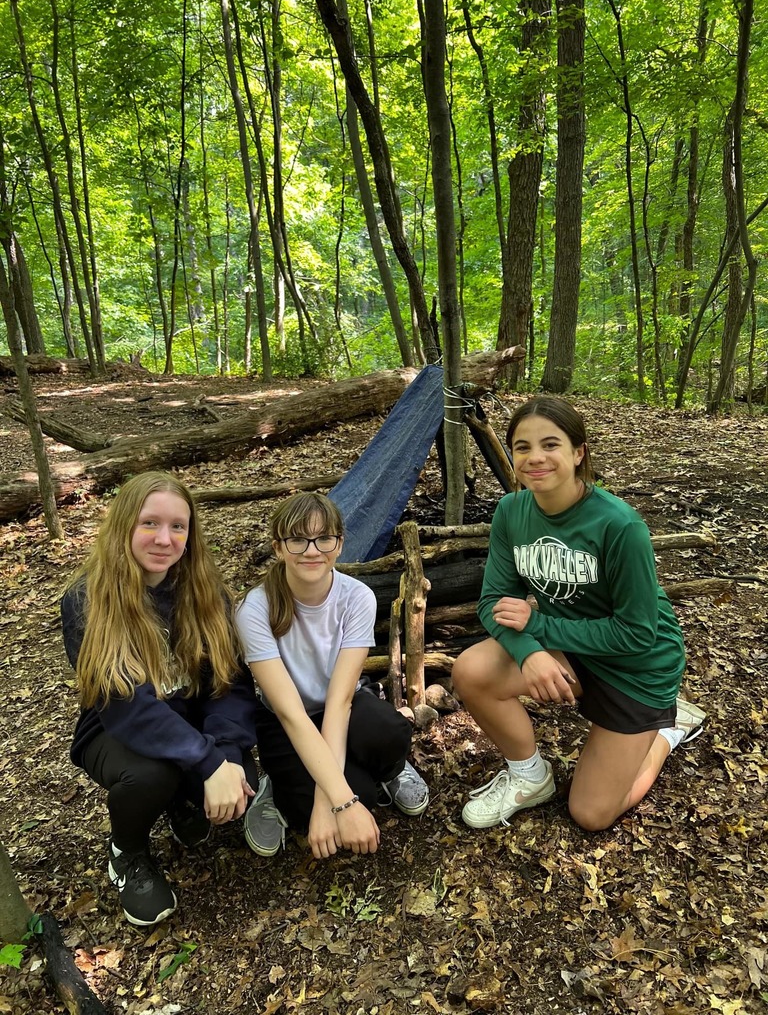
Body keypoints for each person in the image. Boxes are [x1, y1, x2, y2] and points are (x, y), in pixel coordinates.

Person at [452, 397, 705, 833]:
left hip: (638, 668)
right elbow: (494, 602)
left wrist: (540, 627)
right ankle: (530, 777)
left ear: (578, 452)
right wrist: (530, 652)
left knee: (590, 814)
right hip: (574, 649)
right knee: (473, 670)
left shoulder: (619, 526)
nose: (535, 458)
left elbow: (638, 633)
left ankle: (666, 732)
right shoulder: (512, 512)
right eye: (522, 447)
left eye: (551, 444)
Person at [61, 471, 258, 927]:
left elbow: (227, 683)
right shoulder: (88, 599)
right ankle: (127, 852)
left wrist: (225, 753)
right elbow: (127, 707)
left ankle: (182, 802)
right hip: (116, 729)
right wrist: (208, 764)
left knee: (239, 777)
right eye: (149, 523)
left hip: (188, 719)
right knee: (154, 773)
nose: (164, 539)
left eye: (178, 526)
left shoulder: (205, 591)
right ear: (125, 525)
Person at [234, 492, 429, 860]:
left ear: (339, 544)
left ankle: (391, 770)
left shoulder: (357, 597)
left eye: (324, 538)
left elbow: (340, 701)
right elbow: (291, 713)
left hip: (344, 705)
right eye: (297, 539)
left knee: (387, 734)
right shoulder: (254, 609)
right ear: (278, 547)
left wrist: (332, 802)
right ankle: (273, 786)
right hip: (286, 718)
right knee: (358, 799)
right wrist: (343, 800)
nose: (312, 550)